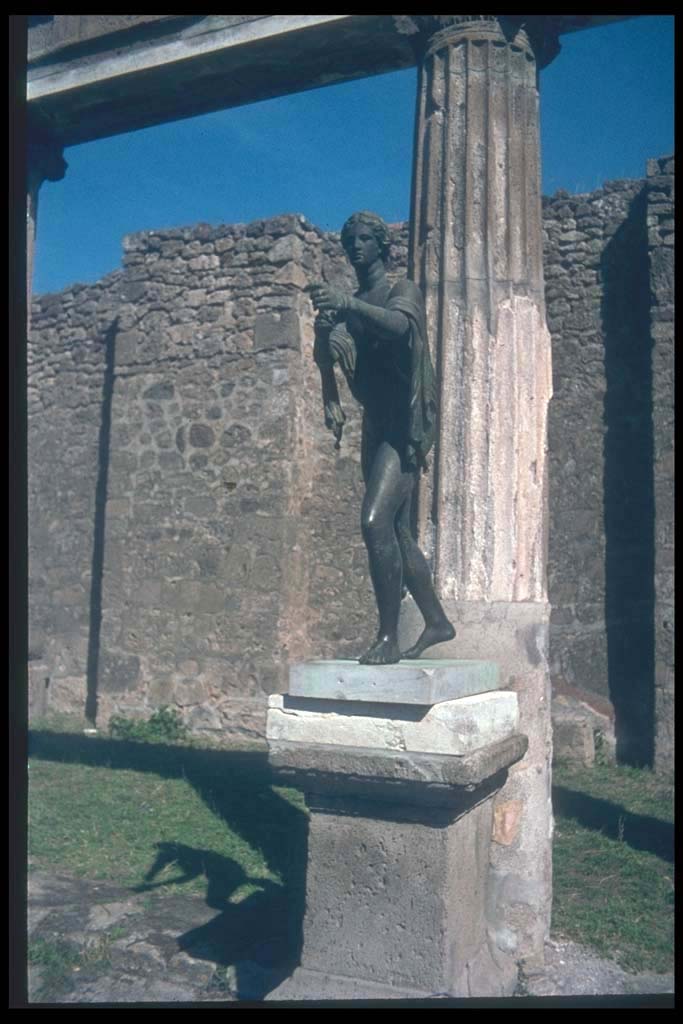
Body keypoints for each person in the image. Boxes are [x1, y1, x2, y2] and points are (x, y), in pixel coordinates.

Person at [310, 211, 455, 665]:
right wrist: (328, 384)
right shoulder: (351, 302)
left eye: (366, 238)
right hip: (375, 424)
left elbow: (398, 327)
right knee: (396, 530)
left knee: (373, 522)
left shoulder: (400, 290)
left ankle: (388, 637)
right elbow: (328, 356)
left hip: (403, 426)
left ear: (381, 246)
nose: (357, 246)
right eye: (350, 239)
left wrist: (348, 307)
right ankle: (436, 621)